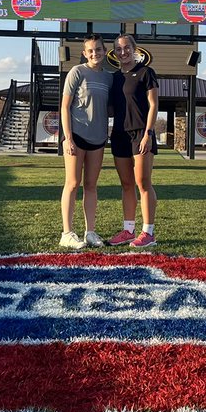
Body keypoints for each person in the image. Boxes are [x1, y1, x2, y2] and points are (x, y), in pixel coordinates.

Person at [58, 35, 113, 250]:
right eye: (90, 50)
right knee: (72, 183)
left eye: (98, 49)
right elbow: (65, 107)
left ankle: (90, 232)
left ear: (104, 51)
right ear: (84, 53)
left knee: (91, 185)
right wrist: (68, 137)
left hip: (98, 138)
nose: (94, 53)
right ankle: (67, 233)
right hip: (76, 136)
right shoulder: (77, 72)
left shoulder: (109, 77)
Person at [107, 33, 160, 248]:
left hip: (141, 134)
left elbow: (154, 105)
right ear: (114, 53)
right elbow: (110, 108)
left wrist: (148, 133)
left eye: (127, 47)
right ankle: (128, 231)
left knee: (143, 183)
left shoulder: (146, 72)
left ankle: (148, 233)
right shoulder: (114, 78)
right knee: (126, 184)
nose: (123, 52)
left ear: (134, 49)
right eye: (119, 49)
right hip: (119, 135)